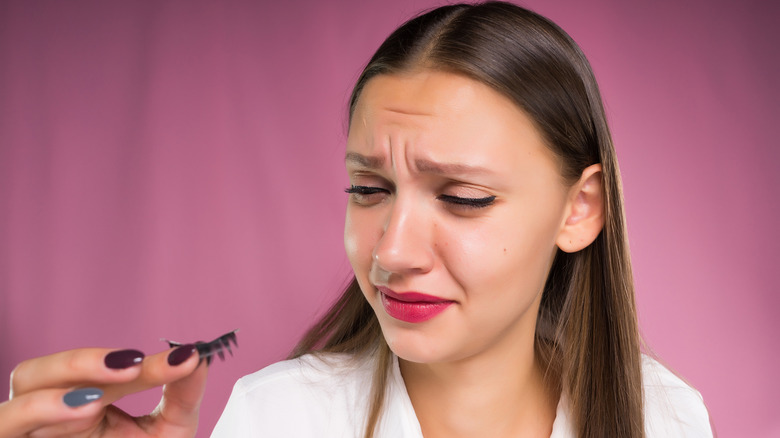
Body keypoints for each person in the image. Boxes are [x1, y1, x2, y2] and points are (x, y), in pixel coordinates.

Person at [0, 2, 712, 437]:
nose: (391, 252)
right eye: (368, 190)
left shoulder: (668, 420)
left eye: (463, 197)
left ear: (579, 209)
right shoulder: (280, 421)